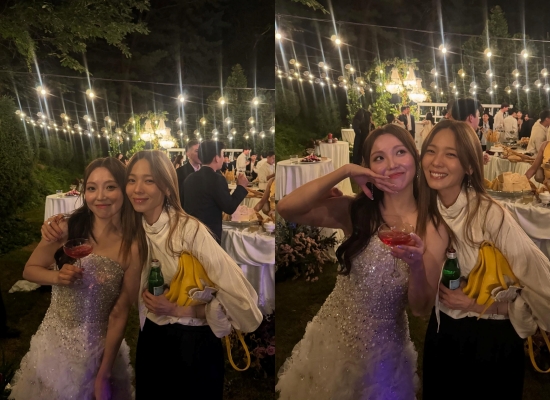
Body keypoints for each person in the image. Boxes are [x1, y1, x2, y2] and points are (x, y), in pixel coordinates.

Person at [43, 151, 263, 399]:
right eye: (132, 180)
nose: (137, 189)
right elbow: (99, 212)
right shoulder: (135, 226)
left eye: (149, 180)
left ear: (167, 187)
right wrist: (59, 222)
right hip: (152, 338)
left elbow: (242, 301)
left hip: (191, 343)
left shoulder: (189, 230)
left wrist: (181, 310)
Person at [275, 124, 448, 399]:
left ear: (414, 157)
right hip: (331, 339)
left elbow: (420, 308)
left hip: (385, 353)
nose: (391, 164)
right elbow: (286, 208)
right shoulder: (356, 211)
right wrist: (344, 171)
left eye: (400, 152)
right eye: (379, 157)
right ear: (367, 168)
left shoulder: (433, 226)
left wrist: (416, 265)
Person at [419, 119, 550, 400]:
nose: (436, 161)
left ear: (469, 166)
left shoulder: (491, 214)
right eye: (431, 150)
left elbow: (542, 284)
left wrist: (476, 304)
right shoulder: (424, 211)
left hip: (490, 343)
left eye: (450, 154)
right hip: (443, 335)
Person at [12, 157, 144, 399]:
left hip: (99, 349)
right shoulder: (66, 228)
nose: (100, 196)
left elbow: (120, 312)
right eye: (92, 188)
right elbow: (29, 270)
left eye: (110, 187)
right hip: (53, 345)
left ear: (125, 189)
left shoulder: (132, 247)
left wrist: (103, 373)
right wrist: (57, 277)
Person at [183, 140, 249, 244]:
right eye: (222, 155)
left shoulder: (189, 178)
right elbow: (229, 207)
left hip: (190, 231)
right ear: (216, 158)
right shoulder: (217, 179)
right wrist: (241, 187)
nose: (223, 158)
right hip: (209, 233)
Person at [176, 139, 201, 208]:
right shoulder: (180, 172)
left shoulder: (206, 171)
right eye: (197, 151)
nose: (201, 154)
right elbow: (179, 197)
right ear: (188, 154)